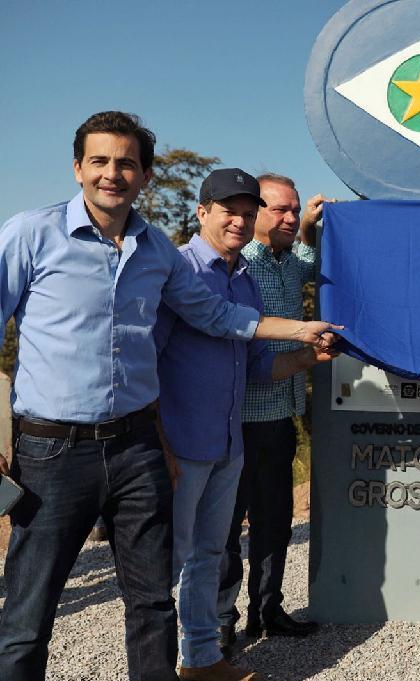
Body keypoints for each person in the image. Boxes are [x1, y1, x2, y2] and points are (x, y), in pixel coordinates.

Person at [0, 111, 337, 681]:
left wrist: (301, 334)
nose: (114, 174)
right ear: (78, 168)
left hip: (134, 449)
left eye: (127, 163)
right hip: (54, 451)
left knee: (152, 601)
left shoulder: (156, 252)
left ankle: (198, 660)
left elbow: (216, 315)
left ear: (146, 174)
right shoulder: (30, 233)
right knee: (30, 610)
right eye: (101, 161)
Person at [156, 169, 338, 681]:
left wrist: (306, 359)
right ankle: (178, 652)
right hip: (190, 440)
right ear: (202, 212)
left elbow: (256, 363)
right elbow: (150, 360)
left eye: (247, 211)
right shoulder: (183, 271)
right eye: (229, 211)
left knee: (227, 544)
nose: (241, 221)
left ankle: (209, 653)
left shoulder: (247, 277)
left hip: (238, 435)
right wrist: (158, 441)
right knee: (180, 557)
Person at [217, 173, 327, 648]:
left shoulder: (290, 261)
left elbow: (316, 258)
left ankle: (268, 609)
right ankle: (222, 621)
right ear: (254, 213)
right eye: (278, 209)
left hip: (281, 415)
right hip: (240, 419)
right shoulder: (239, 267)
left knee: (275, 520)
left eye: (293, 208)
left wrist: (308, 225)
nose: (287, 217)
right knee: (225, 527)